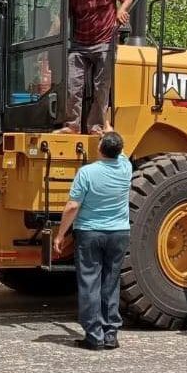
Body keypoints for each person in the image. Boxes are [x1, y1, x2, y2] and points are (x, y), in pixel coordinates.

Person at [53, 131, 132, 350]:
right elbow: (121, 151)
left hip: (90, 233)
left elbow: (72, 206)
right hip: (119, 233)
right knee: (111, 282)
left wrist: (60, 235)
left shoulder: (87, 172)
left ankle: (94, 335)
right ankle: (110, 334)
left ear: (99, 149)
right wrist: (110, 130)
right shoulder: (126, 168)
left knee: (90, 282)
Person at [54, 0, 132, 136]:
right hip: (80, 44)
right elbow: (62, 16)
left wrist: (121, 10)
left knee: (101, 88)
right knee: (72, 85)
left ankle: (95, 127)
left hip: (105, 42)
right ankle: (72, 126)